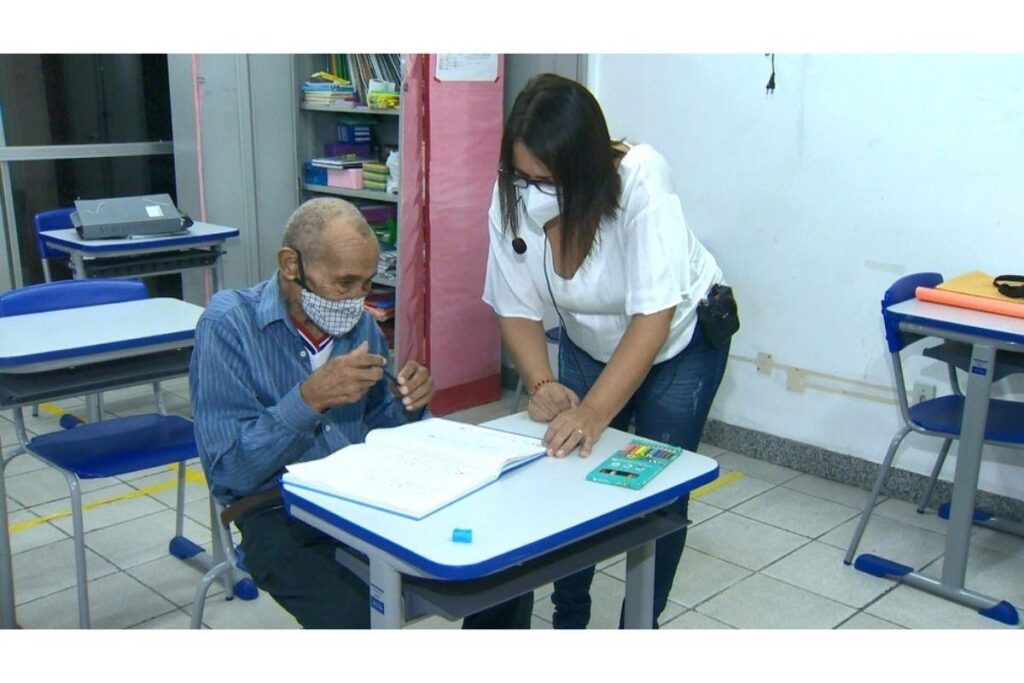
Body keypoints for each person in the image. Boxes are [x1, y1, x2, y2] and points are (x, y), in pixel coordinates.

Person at [191, 197, 533, 628]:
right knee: (356, 617)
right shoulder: (228, 326)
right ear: (290, 265)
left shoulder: (360, 325)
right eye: (344, 282)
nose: (355, 301)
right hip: (277, 508)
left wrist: (410, 405)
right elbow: (229, 474)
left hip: (364, 491)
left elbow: (378, 431)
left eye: (367, 285)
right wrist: (308, 400)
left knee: (503, 570)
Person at [482, 74, 734, 628]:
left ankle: (636, 627)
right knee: (570, 477)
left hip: (677, 342)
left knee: (660, 493)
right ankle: (570, 616)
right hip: (589, 339)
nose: (532, 191)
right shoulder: (512, 199)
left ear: (586, 167)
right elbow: (514, 306)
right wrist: (545, 386)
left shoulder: (642, 177)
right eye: (521, 175)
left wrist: (594, 412)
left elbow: (653, 315)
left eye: (546, 179)